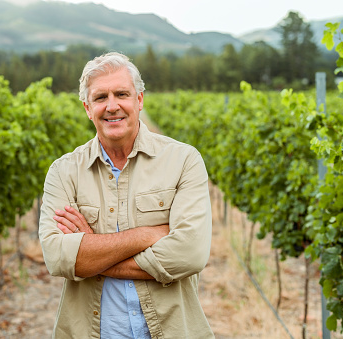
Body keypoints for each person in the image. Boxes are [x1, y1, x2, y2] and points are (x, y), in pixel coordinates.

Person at [39, 52, 213, 338]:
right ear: (86, 107)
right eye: (100, 97)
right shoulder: (63, 171)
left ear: (139, 100)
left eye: (121, 94)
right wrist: (147, 235)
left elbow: (190, 254)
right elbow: (57, 257)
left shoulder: (183, 160)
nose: (112, 106)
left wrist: (91, 251)